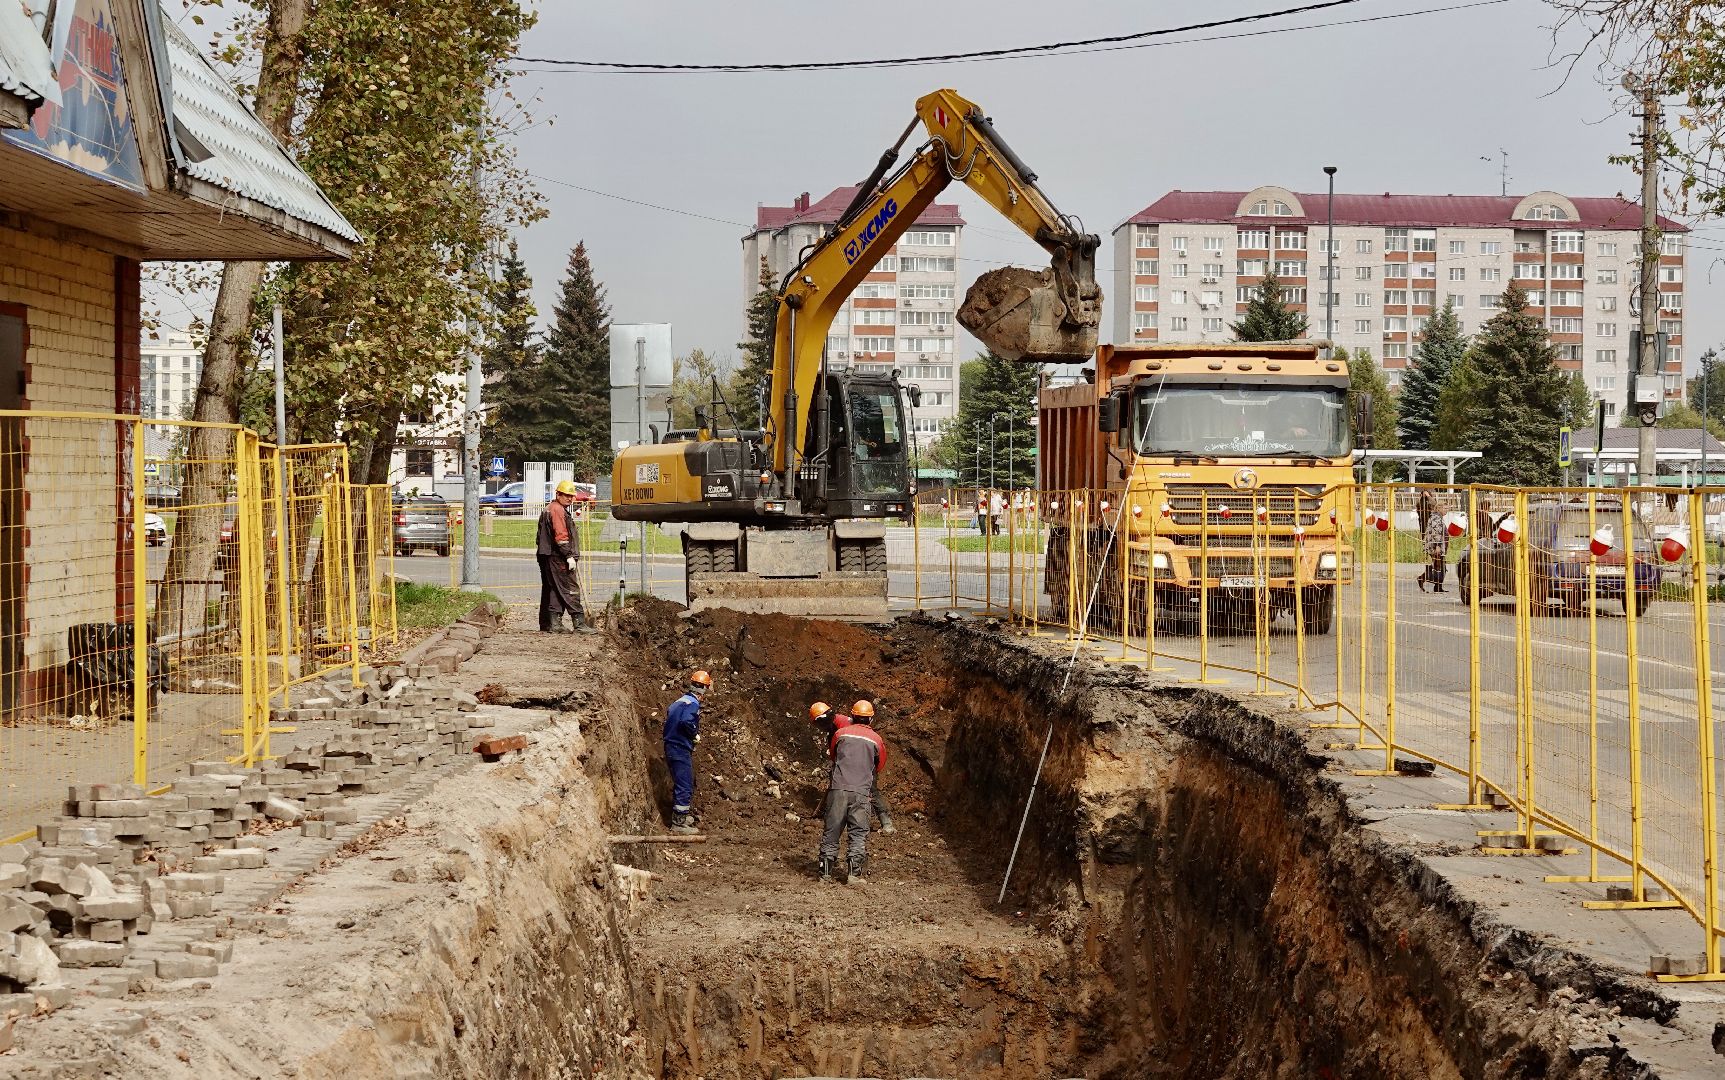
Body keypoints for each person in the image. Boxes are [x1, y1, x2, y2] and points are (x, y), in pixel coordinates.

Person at [818, 699, 887, 884]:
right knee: (858, 833)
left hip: (838, 789)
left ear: (853, 715)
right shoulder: (876, 739)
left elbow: (833, 755)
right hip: (861, 792)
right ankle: (853, 875)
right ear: (871, 719)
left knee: (831, 831)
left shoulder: (840, 733)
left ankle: (824, 874)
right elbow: (879, 765)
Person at [807, 701, 895, 834]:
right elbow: (835, 751)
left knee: (870, 788)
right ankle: (838, 816)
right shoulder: (833, 728)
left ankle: (886, 822)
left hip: (863, 761)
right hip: (848, 762)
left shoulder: (844, 725)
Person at [535, 480, 590, 633]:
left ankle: (552, 624)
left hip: (547, 555)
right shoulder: (557, 511)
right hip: (557, 556)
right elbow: (561, 537)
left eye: (571, 496)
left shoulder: (551, 508)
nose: (570, 499)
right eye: (566, 495)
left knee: (553, 588)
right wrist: (569, 555)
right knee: (569, 589)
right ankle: (579, 623)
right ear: (558, 494)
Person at [664, 670, 712, 835]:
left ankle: (681, 816)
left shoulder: (679, 701)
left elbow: (671, 714)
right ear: (704, 689)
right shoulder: (693, 704)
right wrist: (693, 734)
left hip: (671, 746)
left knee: (681, 782)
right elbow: (686, 721)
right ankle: (678, 823)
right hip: (679, 748)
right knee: (685, 784)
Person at [1419, 497, 1448, 593]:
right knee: (1439, 566)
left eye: (1447, 508)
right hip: (1435, 546)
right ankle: (1423, 578)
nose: (1446, 510)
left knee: (1439, 565)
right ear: (1438, 508)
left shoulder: (1438, 517)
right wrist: (1437, 546)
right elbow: (1436, 533)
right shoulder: (1436, 518)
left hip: (1437, 545)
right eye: (1445, 508)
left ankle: (1438, 586)